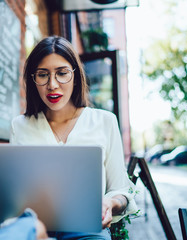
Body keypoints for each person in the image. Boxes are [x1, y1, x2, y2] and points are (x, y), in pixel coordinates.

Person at [9, 36, 138, 240]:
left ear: (76, 77)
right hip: (33, 226)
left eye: (62, 73)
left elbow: (121, 191)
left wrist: (109, 203)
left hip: (85, 229)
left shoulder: (104, 121)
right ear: (33, 80)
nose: (52, 85)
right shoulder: (20, 125)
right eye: (43, 75)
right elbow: (14, 192)